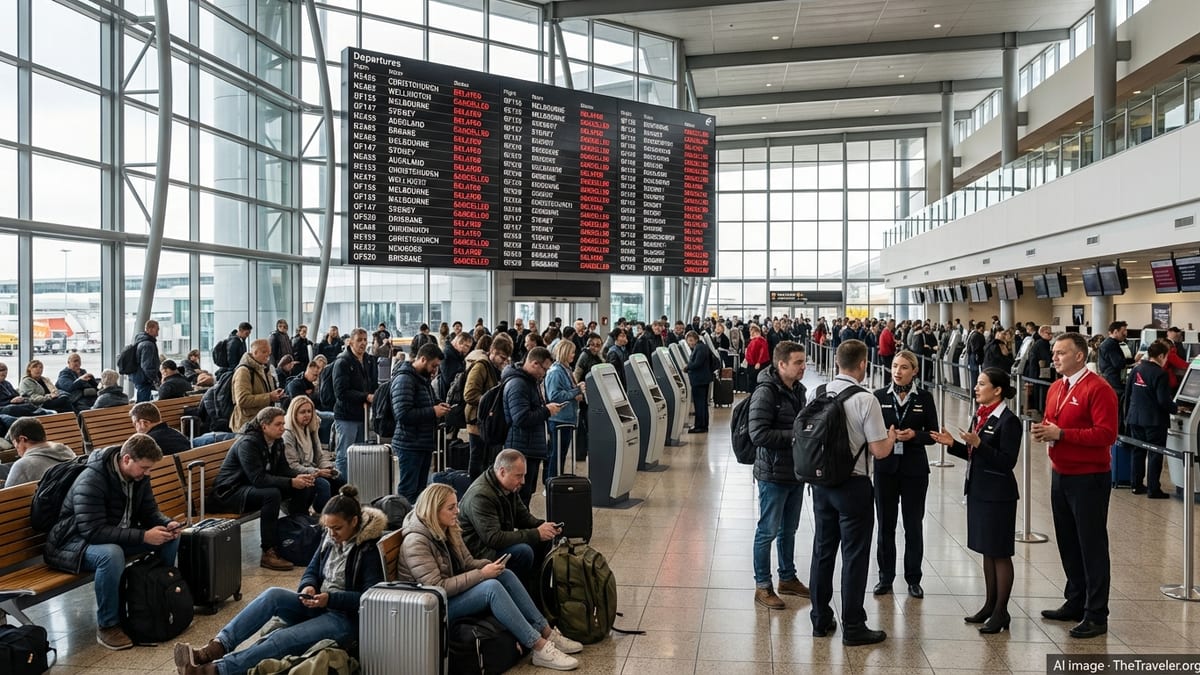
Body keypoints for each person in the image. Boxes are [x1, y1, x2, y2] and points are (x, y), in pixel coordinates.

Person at [173, 486, 385, 675]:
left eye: (337, 528)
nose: (331, 533)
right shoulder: (330, 537)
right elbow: (312, 569)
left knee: (281, 638)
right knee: (272, 595)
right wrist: (308, 586)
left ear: (354, 522)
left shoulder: (368, 550)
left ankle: (215, 670)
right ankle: (215, 648)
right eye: (328, 527)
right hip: (319, 604)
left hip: (344, 620)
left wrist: (330, 599)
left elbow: (369, 598)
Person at [396, 483, 583, 671]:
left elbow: (467, 562)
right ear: (433, 510)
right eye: (451, 508)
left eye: (456, 505)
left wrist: (488, 566)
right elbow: (436, 587)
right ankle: (538, 646)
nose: (457, 511)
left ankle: (546, 631)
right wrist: (481, 574)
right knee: (491, 589)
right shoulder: (416, 542)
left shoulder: (447, 528)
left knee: (505, 575)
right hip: (432, 607)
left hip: (448, 596)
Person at [44, 434, 181, 650]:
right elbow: (93, 531)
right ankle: (108, 625)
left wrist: (167, 523)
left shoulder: (139, 476)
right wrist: (143, 536)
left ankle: (157, 600)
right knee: (111, 555)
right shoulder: (92, 479)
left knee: (169, 538)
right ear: (126, 459)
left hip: (114, 536)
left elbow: (149, 512)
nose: (147, 473)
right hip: (73, 543)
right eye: (144, 467)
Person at [809, 339, 896, 646]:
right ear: (863, 364)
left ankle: (820, 619)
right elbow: (879, 450)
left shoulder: (817, 392)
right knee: (854, 556)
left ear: (836, 362)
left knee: (822, 550)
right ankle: (854, 625)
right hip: (853, 486)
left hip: (821, 484)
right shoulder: (866, 399)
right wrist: (892, 437)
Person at [1031, 332, 1118, 639]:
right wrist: (1045, 431)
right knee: (1068, 541)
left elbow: (1106, 434)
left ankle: (1096, 613)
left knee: (1091, 545)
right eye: (1054, 352)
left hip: (1089, 477)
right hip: (1061, 474)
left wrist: (1062, 434)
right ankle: (1076, 600)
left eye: (1061, 353)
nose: (1054, 357)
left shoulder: (1099, 389)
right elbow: (1051, 420)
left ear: (1079, 356)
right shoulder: (1057, 387)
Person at [931, 367, 1021, 633]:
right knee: (987, 550)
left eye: (982, 384)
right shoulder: (981, 416)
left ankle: (1001, 611)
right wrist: (953, 444)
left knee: (1000, 552)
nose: (976, 388)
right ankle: (990, 605)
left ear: (998, 390)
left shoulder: (1009, 421)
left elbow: (1007, 462)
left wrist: (979, 444)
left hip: (999, 495)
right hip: (979, 490)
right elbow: (975, 455)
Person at [210, 406, 316, 571]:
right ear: (264, 426)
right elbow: (258, 479)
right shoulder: (248, 443)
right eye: (278, 424)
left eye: (283, 423)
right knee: (271, 495)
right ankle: (268, 551)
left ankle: (296, 535)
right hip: (229, 492)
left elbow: (283, 470)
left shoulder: (277, 441)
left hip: (249, 488)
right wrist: (290, 482)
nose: (283, 428)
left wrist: (301, 477)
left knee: (305, 486)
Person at [872, 350, 938, 599]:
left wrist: (914, 435)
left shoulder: (924, 398)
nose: (897, 372)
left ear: (915, 371)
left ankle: (913, 578)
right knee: (885, 525)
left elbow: (933, 434)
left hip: (914, 469)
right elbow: (870, 430)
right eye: (894, 366)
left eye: (903, 367)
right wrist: (886, 437)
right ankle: (885, 577)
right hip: (885, 468)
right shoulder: (879, 396)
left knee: (913, 525)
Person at [749, 341, 809, 610]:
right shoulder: (765, 393)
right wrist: (795, 436)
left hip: (794, 471)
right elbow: (758, 434)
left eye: (803, 362)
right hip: (772, 473)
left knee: (789, 530)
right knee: (768, 531)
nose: (803, 367)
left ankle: (787, 578)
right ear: (781, 364)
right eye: (798, 362)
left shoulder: (798, 390)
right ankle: (763, 585)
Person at [459, 449, 560, 590]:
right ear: (502, 472)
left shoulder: (508, 487)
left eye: (524, 475)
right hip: (478, 552)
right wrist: (536, 533)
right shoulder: (481, 495)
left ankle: (538, 592)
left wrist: (546, 527)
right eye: (519, 476)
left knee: (544, 540)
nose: (523, 481)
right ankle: (518, 591)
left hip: (492, 544)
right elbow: (493, 538)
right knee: (523, 551)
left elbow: (523, 518)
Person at [503, 347, 562, 507]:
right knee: (519, 498)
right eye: (544, 369)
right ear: (534, 363)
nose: (545, 374)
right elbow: (520, 418)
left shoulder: (530, 382)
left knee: (526, 494)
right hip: (522, 449)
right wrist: (546, 411)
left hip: (530, 448)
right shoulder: (518, 384)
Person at [392, 343, 449, 502]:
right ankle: (405, 517)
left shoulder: (422, 379)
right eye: (433, 366)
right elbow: (403, 414)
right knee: (409, 491)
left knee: (420, 491)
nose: (435, 370)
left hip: (421, 442)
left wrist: (438, 405)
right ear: (423, 359)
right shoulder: (404, 379)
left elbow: (425, 402)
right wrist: (433, 411)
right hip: (409, 444)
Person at [1124, 341, 1176, 499]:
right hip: (1154, 421)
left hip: (1135, 418)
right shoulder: (1160, 374)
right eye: (1166, 357)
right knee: (1155, 453)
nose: (1166, 360)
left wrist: (1127, 416)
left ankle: (1136, 485)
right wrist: (1176, 408)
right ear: (1161, 356)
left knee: (1138, 451)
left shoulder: (1137, 369)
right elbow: (1163, 400)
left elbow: (1128, 394)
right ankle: (1154, 489)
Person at [282, 395, 342, 511]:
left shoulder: (311, 428)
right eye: (302, 412)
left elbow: (319, 455)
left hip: (312, 468)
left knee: (339, 479)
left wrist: (327, 467)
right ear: (294, 414)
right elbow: (292, 465)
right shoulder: (287, 434)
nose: (307, 415)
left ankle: (336, 513)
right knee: (323, 485)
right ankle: (322, 514)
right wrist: (318, 472)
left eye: (309, 411)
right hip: (296, 473)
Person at [463, 336, 511, 478]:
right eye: (502, 358)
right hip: (477, 423)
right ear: (493, 351)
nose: (504, 362)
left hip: (488, 423)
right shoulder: (480, 366)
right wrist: (491, 402)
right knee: (477, 462)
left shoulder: (494, 368)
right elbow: (469, 394)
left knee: (488, 462)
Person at [330, 328, 374, 478]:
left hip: (362, 415)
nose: (363, 343)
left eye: (365, 340)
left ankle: (357, 484)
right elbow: (341, 392)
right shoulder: (342, 362)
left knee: (360, 454)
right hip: (346, 416)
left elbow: (371, 384)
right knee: (345, 454)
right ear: (351, 342)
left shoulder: (368, 360)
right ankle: (342, 486)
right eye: (359, 340)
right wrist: (366, 397)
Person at [544, 340, 583, 482]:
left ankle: (555, 481)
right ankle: (551, 483)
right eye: (572, 352)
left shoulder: (566, 370)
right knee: (556, 454)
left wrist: (575, 391)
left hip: (567, 418)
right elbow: (554, 396)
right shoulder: (556, 372)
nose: (574, 355)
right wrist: (576, 391)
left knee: (560, 454)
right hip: (559, 419)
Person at [231, 339, 285, 432]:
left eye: (269, 353)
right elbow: (242, 400)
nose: (267, 355)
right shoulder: (243, 371)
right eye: (264, 352)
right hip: (247, 424)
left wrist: (276, 395)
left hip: (261, 421)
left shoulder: (265, 368)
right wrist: (269, 397)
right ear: (255, 352)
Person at [4, 416, 75, 486]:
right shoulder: (67, 451)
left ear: (23, 439)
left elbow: (8, 492)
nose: (17, 451)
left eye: (15, 444)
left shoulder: (22, 465)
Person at [684, 331, 716, 433]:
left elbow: (697, 363)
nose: (690, 343)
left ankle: (699, 426)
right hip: (703, 379)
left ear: (696, 339)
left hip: (699, 380)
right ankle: (703, 425)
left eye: (691, 340)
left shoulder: (699, 348)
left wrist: (687, 367)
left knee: (699, 404)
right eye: (688, 341)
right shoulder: (703, 347)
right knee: (702, 404)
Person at [130, 320, 161, 402]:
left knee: (143, 401)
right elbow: (147, 366)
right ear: (150, 329)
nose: (158, 333)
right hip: (144, 379)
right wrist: (155, 379)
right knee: (144, 404)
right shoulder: (148, 344)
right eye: (157, 329)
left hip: (140, 377)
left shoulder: (141, 341)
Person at [438, 332, 475, 401]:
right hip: (448, 397)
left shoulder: (455, 354)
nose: (468, 349)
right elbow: (450, 380)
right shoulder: (448, 355)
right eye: (467, 346)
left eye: (469, 347)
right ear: (458, 343)